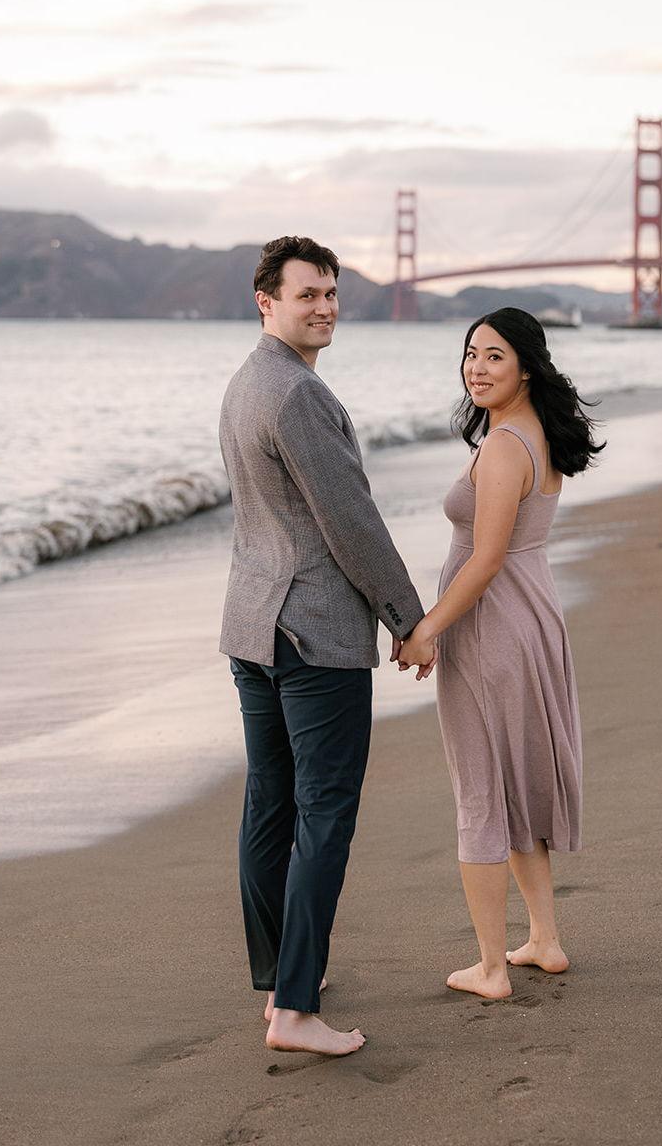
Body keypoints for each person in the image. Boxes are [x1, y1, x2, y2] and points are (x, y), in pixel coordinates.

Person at [219, 235, 428, 1057]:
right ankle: (296, 1010)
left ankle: (280, 979)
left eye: (333, 292)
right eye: (308, 294)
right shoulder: (299, 394)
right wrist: (406, 618)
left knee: (270, 804)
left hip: (253, 626)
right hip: (313, 634)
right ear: (266, 301)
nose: (326, 307)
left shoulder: (246, 383)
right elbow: (350, 523)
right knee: (324, 813)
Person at [397, 307, 603, 1000]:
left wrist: (428, 628)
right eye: (471, 354)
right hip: (529, 615)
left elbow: (484, 560)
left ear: (527, 368)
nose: (477, 369)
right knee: (514, 782)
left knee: (482, 791)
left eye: (494, 356)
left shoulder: (506, 445)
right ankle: (543, 939)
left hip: (492, 626)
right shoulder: (532, 433)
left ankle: (490, 968)